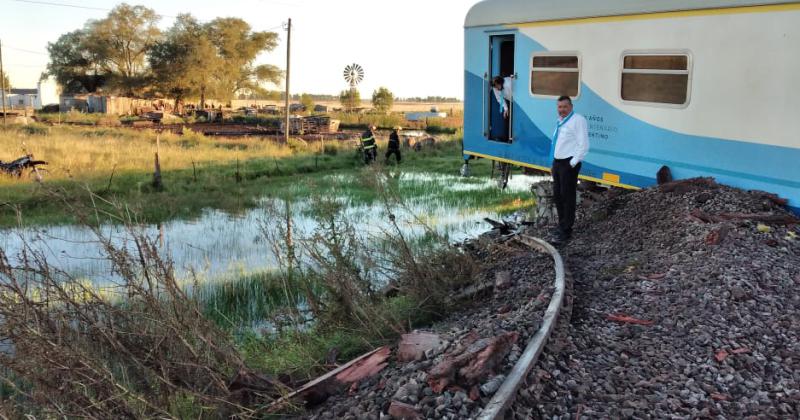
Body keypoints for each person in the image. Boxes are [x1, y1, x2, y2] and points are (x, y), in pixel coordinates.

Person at [551, 95, 589, 243]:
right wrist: (553, 164)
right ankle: (562, 225)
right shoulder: (560, 121)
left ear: (571, 107)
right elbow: (557, 143)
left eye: (565, 107)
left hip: (568, 163)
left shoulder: (578, 120)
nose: (562, 110)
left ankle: (567, 231)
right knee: (558, 196)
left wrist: (572, 164)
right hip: (558, 163)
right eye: (559, 107)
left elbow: (584, 145)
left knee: (568, 197)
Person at [489, 75, 514, 141]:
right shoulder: (495, 88)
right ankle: (508, 138)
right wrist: (506, 109)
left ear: (500, 82)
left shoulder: (508, 82)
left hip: (517, 98)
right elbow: (499, 98)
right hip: (510, 100)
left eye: (497, 86)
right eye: (495, 87)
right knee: (506, 117)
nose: (496, 88)